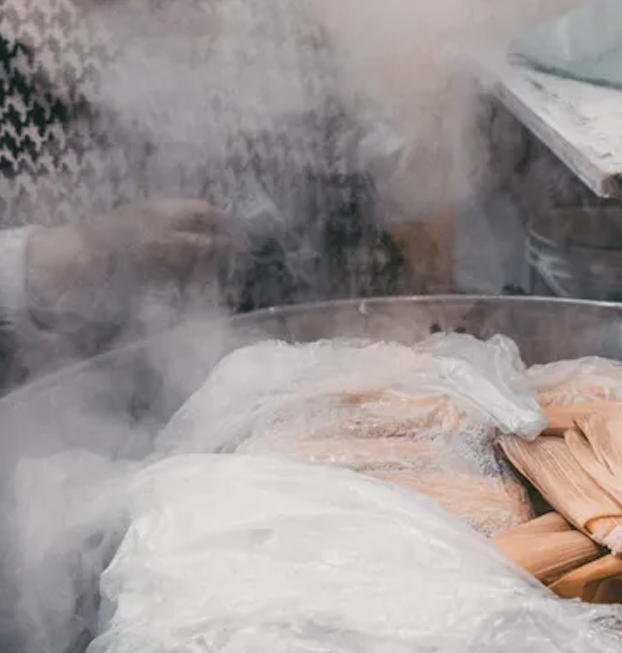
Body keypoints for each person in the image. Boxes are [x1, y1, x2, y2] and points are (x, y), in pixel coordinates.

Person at [0, 0, 402, 393]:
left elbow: (367, 231)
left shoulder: (279, 24)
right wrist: (80, 254)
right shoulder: (18, 44)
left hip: (308, 403)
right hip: (69, 419)